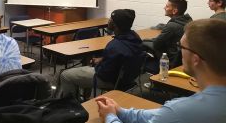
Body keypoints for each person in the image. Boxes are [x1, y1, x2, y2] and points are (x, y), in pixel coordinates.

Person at [95, 19, 226, 123]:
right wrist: (121, 112)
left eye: (181, 46)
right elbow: (163, 116)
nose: (180, 51)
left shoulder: (179, 111)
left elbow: (172, 115)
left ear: (195, 59)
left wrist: (110, 118)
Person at [56, 9, 143, 99]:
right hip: (127, 79)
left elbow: (103, 74)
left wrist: (98, 64)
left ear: (116, 24)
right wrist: (102, 59)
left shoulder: (114, 45)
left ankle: (71, 106)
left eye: (111, 19)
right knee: (83, 71)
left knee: (65, 75)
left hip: (110, 81)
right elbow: (121, 57)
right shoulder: (135, 38)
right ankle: (85, 99)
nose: (109, 21)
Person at [143, 0, 192, 70]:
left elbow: (156, 44)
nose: (164, 8)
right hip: (181, 60)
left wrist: (146, 40)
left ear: (174, 11)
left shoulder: (171, 26)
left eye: (167, 6)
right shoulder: (188, 21)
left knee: (142, 43)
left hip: (169, 60)